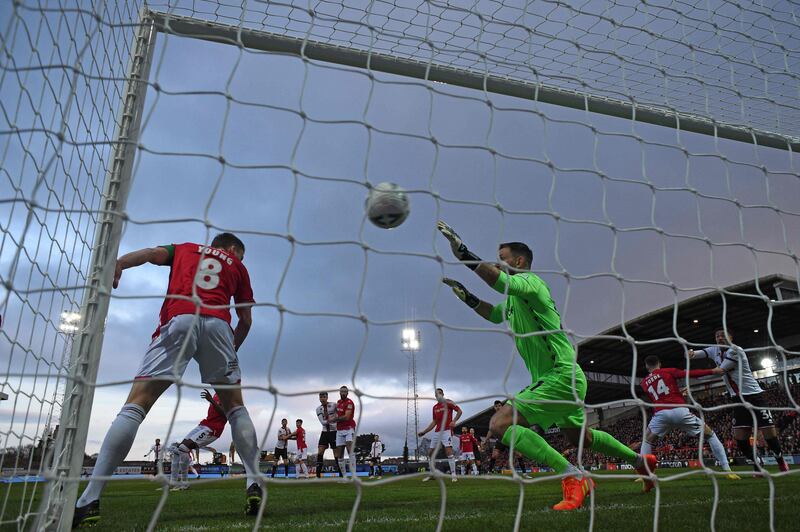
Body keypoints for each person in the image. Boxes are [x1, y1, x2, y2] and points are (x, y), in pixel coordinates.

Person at [438, 221, 656, 511]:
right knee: (583, 439)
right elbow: (492, 314)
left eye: (501, 259)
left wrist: (464, 254)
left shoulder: (531, 284)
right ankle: (641, 461)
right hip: (565, 377)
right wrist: (467, 297)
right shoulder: (515, 301)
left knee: (500, 423)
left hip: (560, 374)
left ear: (519, 262)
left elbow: (500, 282)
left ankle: (573, 476)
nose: (497, 264)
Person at [72, 234, 262, 527]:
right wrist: (231, 348)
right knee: (236, 407)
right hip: (218, 326)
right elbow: (246, 320)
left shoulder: (184, 249)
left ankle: (90, 498)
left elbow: (149, 253)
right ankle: (254, 481)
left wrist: (120, 263)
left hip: (180, 317)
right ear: (233, 249)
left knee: (137, 404)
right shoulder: (237, 266)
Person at [689, 330, 789, 473]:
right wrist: (691, 353)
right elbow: (700, 353)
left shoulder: (735, 350)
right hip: (737, 400)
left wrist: (692, 377)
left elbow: (720, 371)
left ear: (731, 337)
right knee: (740, 439)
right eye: (717, 336)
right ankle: (758, 464)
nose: (720, 338)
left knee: (769, 434)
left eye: (723, 335)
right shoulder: (714, 350)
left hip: (754, 396)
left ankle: (780, 461)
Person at [639, 355, 739, 481]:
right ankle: (727, 470)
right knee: (710, 435)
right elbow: (691, 373)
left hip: (661, 414)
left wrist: (678, 393)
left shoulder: (643, 383)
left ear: (647, 366)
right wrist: (713, 371)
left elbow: (660, 397)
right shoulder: (668, 371)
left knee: (647, 440)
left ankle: (644, 475)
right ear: (659, 363)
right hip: (680, 411)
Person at [170, 389, 229, 490]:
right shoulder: (216, 393)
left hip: (213, 429)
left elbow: (225, 415)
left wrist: (211, 400)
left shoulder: (228, 395)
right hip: (205, 424)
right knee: (176, 450)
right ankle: (173, 482)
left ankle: (184, 484)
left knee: (183, 448)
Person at [418, 388, 461, 482]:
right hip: (437, 432)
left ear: (443, 394)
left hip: (447, 431)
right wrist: (424, 432)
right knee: (430, 452)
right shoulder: (435, 407)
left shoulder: (449, 402)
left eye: (440, 393)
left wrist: (454, 421)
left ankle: (454, 475)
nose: (438, 395)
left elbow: (459, 411)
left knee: (449, 452)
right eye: (436, 394)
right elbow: (434, 422)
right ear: (435, 396)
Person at [329, 386, 357, 479]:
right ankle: (344, 477)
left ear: (347, 393)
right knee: (339, 454)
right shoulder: (338, 402)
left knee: (350, 450)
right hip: (339, 430)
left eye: (345, 392)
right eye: (342, 391)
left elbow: (347, 417)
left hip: (349, 429)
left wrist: (334, 419)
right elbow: (337, 414)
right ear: (339, 392)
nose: (343, 393)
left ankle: (353, 476)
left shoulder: (350, 403)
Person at [315, 391, 342, 478]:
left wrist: (337, 419)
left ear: (327, 397)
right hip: (325, 432)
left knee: (336, 453)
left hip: (334, 432)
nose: (322, 398)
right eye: (321, 397)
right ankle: (318, 476)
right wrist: (334, 418)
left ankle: (341, 475)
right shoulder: (318, 409)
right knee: (320, 451)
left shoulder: (334, 405)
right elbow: (322, 422)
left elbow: (340, 414)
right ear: (319, 398)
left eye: (324, 397)